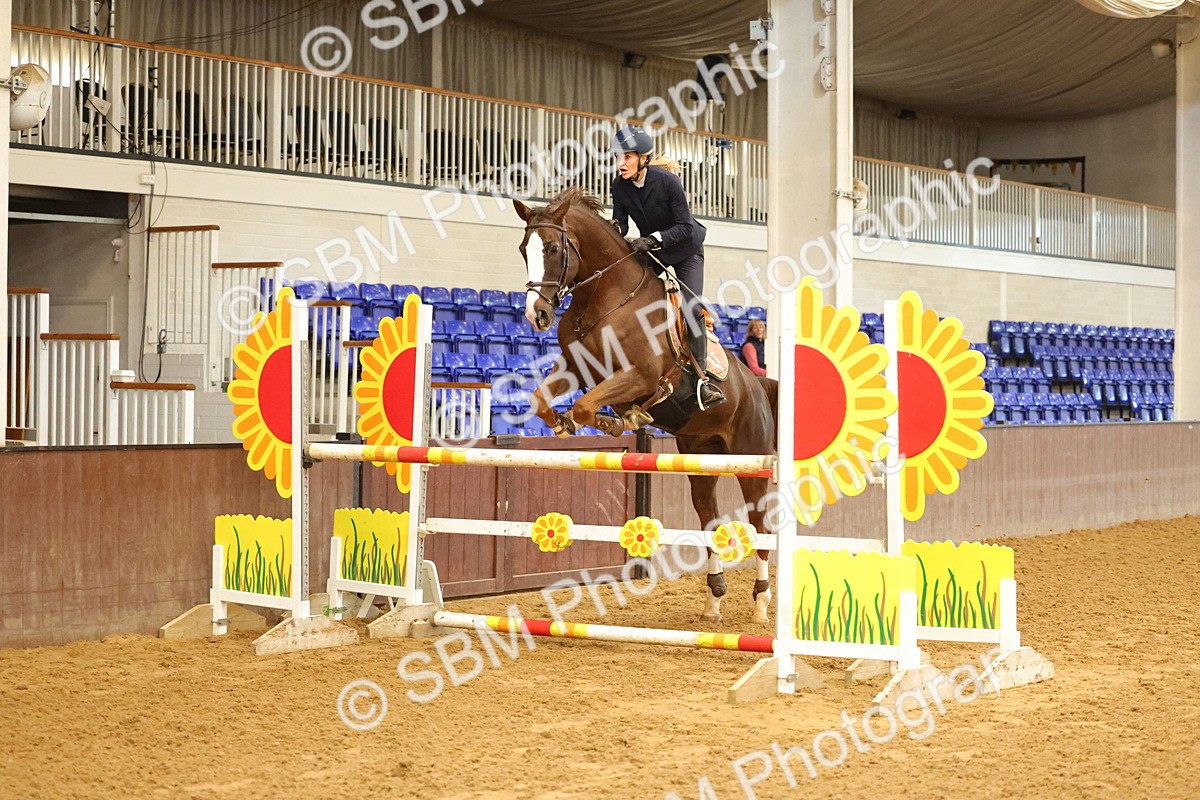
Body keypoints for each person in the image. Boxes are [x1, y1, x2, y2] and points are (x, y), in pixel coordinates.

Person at [609, 125, 725, 409]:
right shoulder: (619, 186)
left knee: (690, 306)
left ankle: (702, 381)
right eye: (618, 157)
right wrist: (612, 228)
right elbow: (621, 223)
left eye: (627, 157)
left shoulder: (667, 182)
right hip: (653, 248)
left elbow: (685, 226)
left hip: (686, 250)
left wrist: (652, 239)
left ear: (643, 159)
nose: (621, 163)